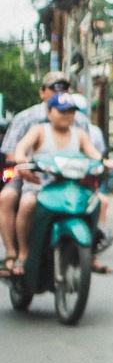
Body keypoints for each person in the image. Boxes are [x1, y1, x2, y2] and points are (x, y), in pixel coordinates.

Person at [5, 93, 102, 277]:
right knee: (27, 204)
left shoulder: (80, 135)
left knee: (98, 202)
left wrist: (104, 162)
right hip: (39, 187)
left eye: (70, 111)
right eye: (61, 111)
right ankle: (23, 253)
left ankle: (91, 252)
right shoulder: (39, 130)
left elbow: (94, 154)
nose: (66, 115)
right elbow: (21, 148)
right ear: (49, 112)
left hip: (71, 188)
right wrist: (21, 158)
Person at [0, 70, 72, 240]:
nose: (59, 92)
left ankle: (93, 244)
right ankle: (15, 251)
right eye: (54, 88)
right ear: (42, 92)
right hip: (31, 176)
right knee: (8, 198)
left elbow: (90, 150)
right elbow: (12, 153)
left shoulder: (78, 119)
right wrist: (25, 164)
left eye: (64, 88)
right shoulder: (26, 119)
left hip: (69, 176)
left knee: (97, 200)